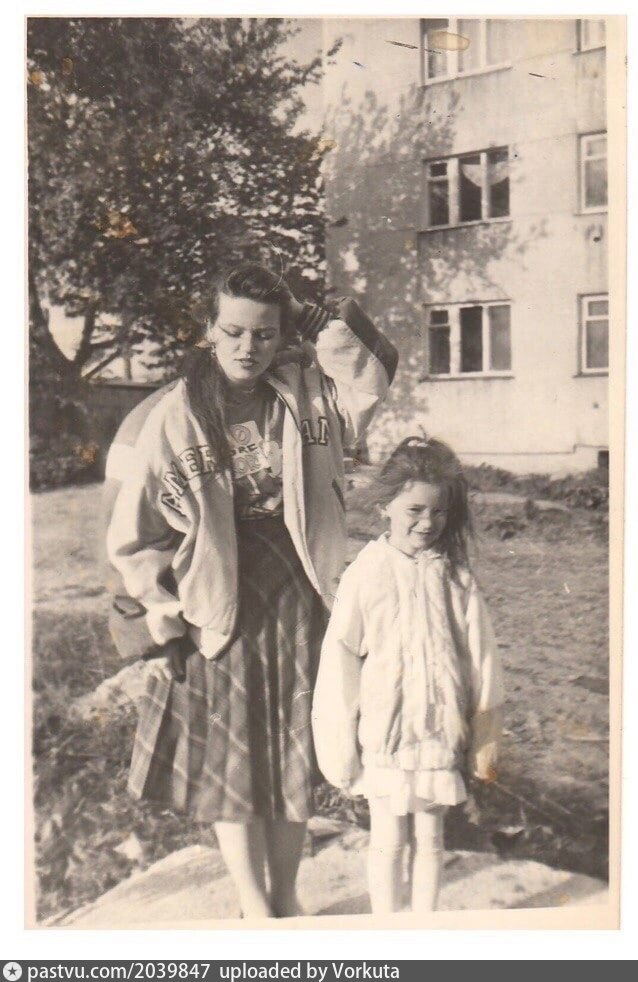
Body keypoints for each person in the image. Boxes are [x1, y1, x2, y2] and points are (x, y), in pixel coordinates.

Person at [105, 263, 398, 918]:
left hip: (300, 590)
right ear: (209, 330)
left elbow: (370, 380)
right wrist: (162, 613)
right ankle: (254, 906)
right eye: (234, 331)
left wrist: (324, 324)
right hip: (219, 602)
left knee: (295, 751)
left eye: (265, 334)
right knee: (233, 764)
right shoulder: (174, 416)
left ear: (283, 336)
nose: (248, 347)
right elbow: (134, 535)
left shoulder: (308, 394)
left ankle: (286, 896)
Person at [311, 436, 504, 914]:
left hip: (438, 735)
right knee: (388, 840)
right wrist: (340, 748)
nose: (427, 523)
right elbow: (339, 661)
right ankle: (387, 929)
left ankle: (424, 929)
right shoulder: (365, 574)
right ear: (385, 507)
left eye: (438, 512)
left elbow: (482, 659)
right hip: (386, 738)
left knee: (432, 839)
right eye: (415, 510)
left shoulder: (456, 578)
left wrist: (484, 735)